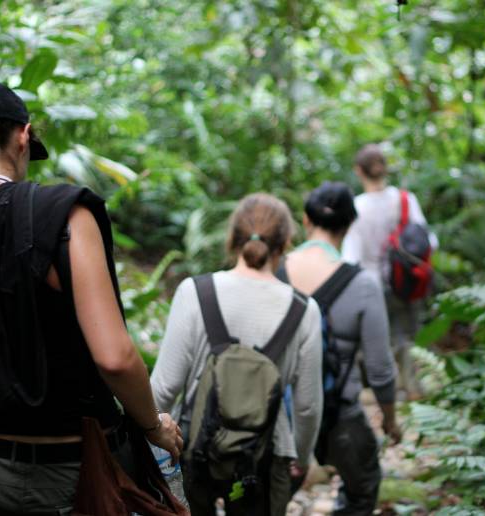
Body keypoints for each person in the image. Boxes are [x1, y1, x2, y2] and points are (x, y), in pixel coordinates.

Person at [0, 82, 182, 516]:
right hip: (84, 470)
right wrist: (153, 425)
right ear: (23, 137)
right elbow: (115, 358)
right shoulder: (66, 216)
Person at [150, 193, 323, 516]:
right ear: (285, 243)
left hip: (193, 448)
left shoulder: (194, 292)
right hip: (268, 454)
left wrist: (148, 445)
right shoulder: (305, 311)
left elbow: (163, 387)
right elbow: (308, 406)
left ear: (232, 238)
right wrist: (301, 456)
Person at [279, 182, 401, 515]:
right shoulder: (362, 285)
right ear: (349, 225)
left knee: (268, 500)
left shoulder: (274, 272)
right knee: (362, 489)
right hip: (340, 414)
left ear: (305, 220)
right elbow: (379, 367)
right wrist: (390, 420)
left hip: (280, 416)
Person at [342, 144, 438, 400]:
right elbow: (429, 241)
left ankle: (387, 390)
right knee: (407, 335)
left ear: (359, 171)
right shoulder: (406, 200)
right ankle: (413, 386)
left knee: (377, 339)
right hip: (406, 280)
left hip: (370, 283)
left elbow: (350, 256)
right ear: (384, 168)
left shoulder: (356, 208)